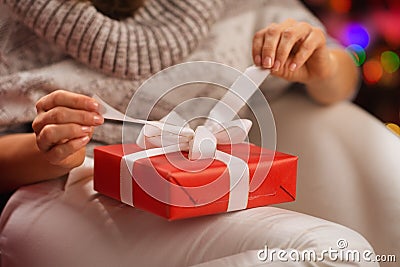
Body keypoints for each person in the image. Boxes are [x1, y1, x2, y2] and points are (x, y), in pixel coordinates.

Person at [0, 0, 398, 265]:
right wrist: (52, 151)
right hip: (70, 189)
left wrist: (323, 66)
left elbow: (340, 79)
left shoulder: (241, 6)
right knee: (330, 254)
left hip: (224, 176)